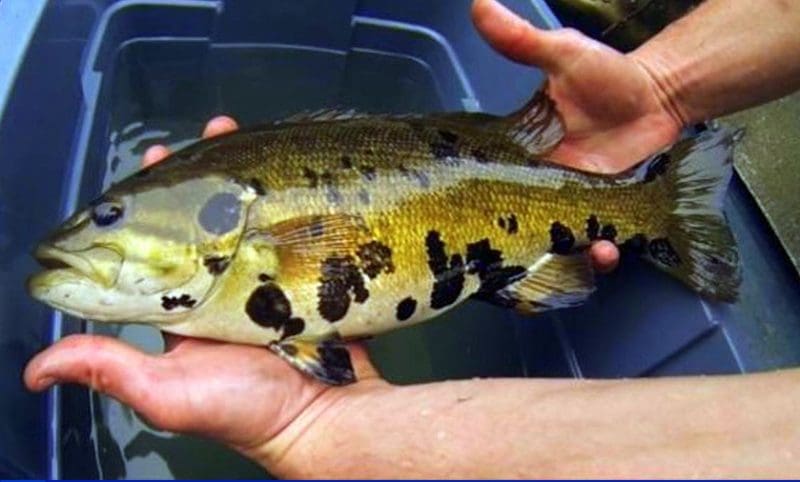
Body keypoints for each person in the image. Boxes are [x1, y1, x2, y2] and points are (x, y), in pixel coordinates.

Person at [24, 0, 800, 477]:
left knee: (564, 247)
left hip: (524, 204)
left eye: (111, 216)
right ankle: (660, 203)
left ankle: (658, 207)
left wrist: (318, 430)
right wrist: (660, 88)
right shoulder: (220, 243)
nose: (97, 232)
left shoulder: (249, 237)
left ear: (223, 215)